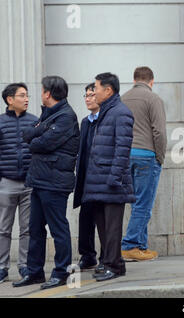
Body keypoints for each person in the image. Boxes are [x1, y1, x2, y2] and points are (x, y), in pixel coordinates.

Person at [13, 76, 80, 289]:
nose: (39, 95)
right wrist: (36, 136)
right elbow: (28, 133)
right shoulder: (48, 113)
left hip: (55, 181)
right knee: (35, 229)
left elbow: (44, 142)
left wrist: (36, 137)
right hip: (40, 180)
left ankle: (61, 273)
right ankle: (35, 272)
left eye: (41, 91)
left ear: (48, 93)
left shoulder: (66, 116)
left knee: (58, 228)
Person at [82, 72, 135, 282]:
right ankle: (112, 263)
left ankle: (113, 265)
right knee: (104, 228)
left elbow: (123, 149)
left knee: (112, 228)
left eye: (96, 88)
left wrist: (114, 178)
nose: (94, 92)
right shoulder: (106, 111)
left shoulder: (121, 113)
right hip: (99, 181)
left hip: (111, 182)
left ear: (108, 90)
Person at [121, 67, 167, 261]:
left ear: (134, 80)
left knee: (136, 203)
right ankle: (129, 245)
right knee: (144, 204)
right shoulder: (153, 99)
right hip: (146, 156)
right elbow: (159, 132)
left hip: (125, 156)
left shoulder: (122, 98)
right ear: (151, 81)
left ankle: (141, 246)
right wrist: (160, 157)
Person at [0, 83, 38, 283]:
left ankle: (24, 266)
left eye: (27, 95)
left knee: (27, 229)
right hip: (6, 183)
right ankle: (1, 267)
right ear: (9, 99)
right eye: (22, 95)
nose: (26, 99)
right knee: (3, 229)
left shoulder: (34, 121)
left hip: (29, 184)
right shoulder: (0, 122)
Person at [73, 83, 104, 272]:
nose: (88, 98)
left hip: (101, 178)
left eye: (92, 95)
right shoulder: (85, 121)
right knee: (85, 218)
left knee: (103, 220)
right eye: (85, 95)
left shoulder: (106, 120)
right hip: (85, 178)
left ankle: (107, 257)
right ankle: (87, 256)